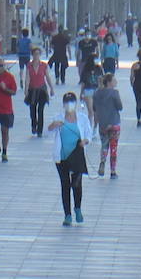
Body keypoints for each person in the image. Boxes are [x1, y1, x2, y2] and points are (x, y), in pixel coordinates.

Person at [47, 91, 89, 225]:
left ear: (75, 104)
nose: (69, 105)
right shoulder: (58, 117)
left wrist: (85, 141)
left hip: (76, 156)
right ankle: (67, 215)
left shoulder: (82, 118)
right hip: (62, 157)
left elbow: (88, 133)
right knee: (65, 184)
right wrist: (53, 125)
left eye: (71, 102)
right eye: (67, 103)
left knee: (76, 184)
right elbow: (47, 132)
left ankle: (77, 208)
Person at [92, 73, 123, 178]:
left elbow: (94, 108)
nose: (116, 82)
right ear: (109, 82)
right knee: (113, 147)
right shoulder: (114, 93)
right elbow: (119, 106)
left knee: (104, 145)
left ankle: (102, 162)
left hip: (103, 124)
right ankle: (113, 171)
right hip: (114, 123)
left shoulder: (96, 93)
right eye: (114, 80)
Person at [26, 45, 53, 137]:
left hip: (42, 90)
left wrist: (51, 88)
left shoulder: (44, 65)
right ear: (32, 55)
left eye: (38, 54)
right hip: (32, 90)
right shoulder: (29, 66)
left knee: (40, 110)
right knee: (32, 110)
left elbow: (48, 77)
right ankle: (34, 125)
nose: (36, 56)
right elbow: (27, 78)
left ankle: (40, 130)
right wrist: (26, 91)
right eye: (35, 54)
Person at [78, 56, 102, 130]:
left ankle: (95, 127)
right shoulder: (85, 70)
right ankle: (89, 128)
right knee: (91, 111)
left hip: (97, 90)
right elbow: (83, 83)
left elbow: (101, 81)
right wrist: (81, 93)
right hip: (88, 90)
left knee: (96, 111)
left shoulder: (99, 69)